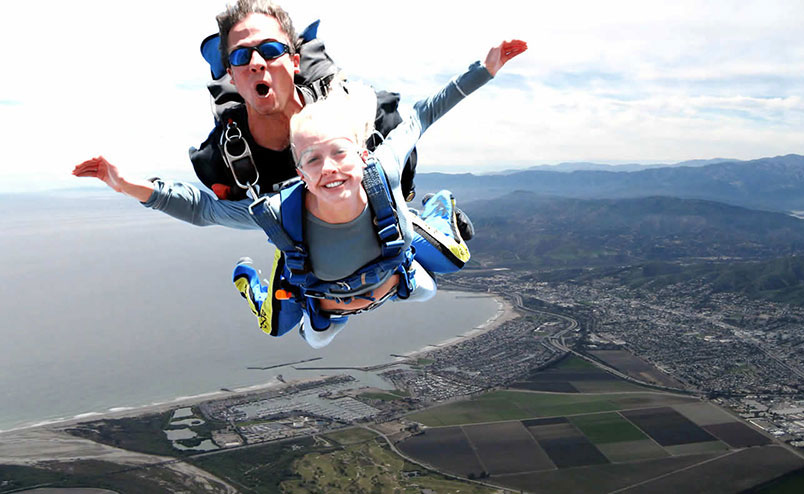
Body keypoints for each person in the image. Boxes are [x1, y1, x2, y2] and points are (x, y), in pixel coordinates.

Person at [72, 39, 527, 348]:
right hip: (339, 297)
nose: (329, 169)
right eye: (312, 160)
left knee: (441, 270)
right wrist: (126, 185)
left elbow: (424, 115)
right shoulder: (278, 213)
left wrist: (484, 70)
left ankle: (438, 212)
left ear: (362, 155)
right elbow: (205, 209)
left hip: (394, 278)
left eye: (338, 154)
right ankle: (254, 283)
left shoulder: (382, 170)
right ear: (298, 173)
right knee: (298, 332)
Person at [190, 0, 419, 202]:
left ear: (295, 62)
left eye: (271, 50)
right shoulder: (221, 162)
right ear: (231, 75)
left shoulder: (369, 118)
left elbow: (402, 183)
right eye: (241, 55)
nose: (256, 63)